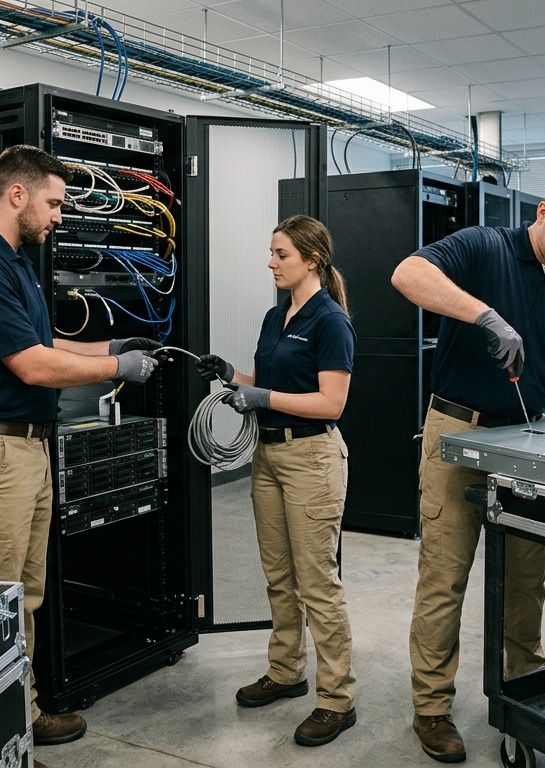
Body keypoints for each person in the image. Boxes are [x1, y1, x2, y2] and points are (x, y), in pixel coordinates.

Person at [390, 170, 545, 763]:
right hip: (457, 432)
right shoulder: (484, 248)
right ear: (541, 212)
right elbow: (408, 274)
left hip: (528, 444)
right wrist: (483, 316)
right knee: (444, 577)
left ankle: (522, 699)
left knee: (526, 581)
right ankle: (431, 709)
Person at [0, 145, 161, 751]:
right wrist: (116, 366)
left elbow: (48, 339)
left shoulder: (11, 263)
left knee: (23, 595)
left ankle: (22, 713)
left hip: (24, 452)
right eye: (54, 203)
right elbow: (31, 366)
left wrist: (117, 344)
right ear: (17, 195)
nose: (59, 217)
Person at [196, 214, 358, 747]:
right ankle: (286, 671)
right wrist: (232, 376)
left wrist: (262, 397)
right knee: (278, 575)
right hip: (269, 456)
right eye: (271, 252)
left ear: (311, 259)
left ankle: (337, 699)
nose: (271, 262)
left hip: (312, 457)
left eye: (281, 254)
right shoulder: (275, 317)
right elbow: (265, 384)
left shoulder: (330, 320)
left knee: (318, 584)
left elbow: (330, 402)